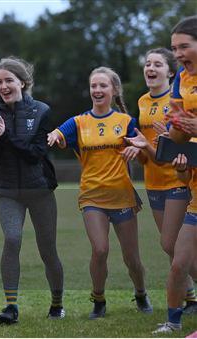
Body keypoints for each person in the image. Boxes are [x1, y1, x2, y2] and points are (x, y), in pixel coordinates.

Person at [47, 67, 152, 319]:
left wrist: (137, 151)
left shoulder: (126, 122)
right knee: (100, 250)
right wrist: (53, 136)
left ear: (114, 90)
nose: (97, 90)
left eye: (102, 86)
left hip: (122, 196)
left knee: (132, 258)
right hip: (92, 197)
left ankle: (140, 292)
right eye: (93, 85)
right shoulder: (79, 122)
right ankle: (99, 299)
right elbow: (58, 133)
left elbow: (144, 154)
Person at [0, 57, 64, 324]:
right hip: (8, 191)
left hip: (40, 191)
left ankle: (57, 304)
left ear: (22, 82)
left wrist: (5, 138)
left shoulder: (41, 111)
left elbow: (35, 154)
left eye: (9, 80)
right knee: (12, 239)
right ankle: (11, 306)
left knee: (47, 249)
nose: (3, 86)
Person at [126, 48, 197, 314]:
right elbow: (149, 151)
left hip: (178, 177)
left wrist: (165, 145)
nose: (150, 68)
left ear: (170, 71)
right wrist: (139, 151)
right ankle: (190, 298)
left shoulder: (178, 99)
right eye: (147, 64)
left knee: (172, 244)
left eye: (157, 64)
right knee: (170, 246)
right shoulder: (143, 101)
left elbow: (183, 141)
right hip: (153, 181)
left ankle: (186, 301)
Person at [152, 15, 197, 334]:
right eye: (174, 48)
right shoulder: (183, 78)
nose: (178, 54)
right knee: (180, 260)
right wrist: (177, 129)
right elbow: (182, 135)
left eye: (185, 47)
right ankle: (173, 321)